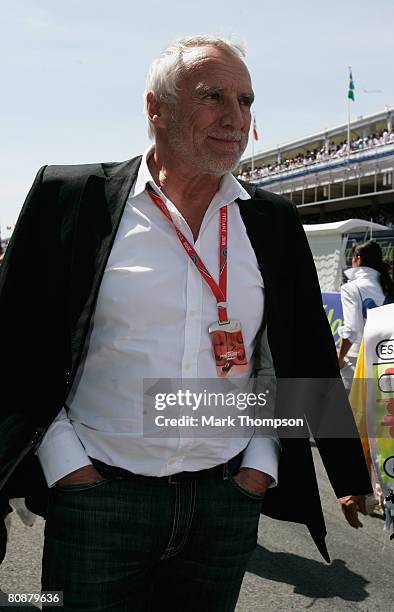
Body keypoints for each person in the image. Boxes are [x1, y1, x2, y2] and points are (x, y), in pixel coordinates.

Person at [0, 36, 372, 612]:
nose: (236, 118)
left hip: (226, 502)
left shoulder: (271, 219)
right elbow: (16, 346)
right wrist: (64, 464)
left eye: (247, 101)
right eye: (213, 97)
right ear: (156, 108)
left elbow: (306, 354)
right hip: (95, 497)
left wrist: (271, 464)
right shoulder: (71, 197)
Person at [338, 240, 394, 388]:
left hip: (359, 360)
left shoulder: (350, 288)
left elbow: (352, 330)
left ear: (357, 259)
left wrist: (340, 358)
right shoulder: (388, 285)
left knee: (353, 409)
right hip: (387, 358)